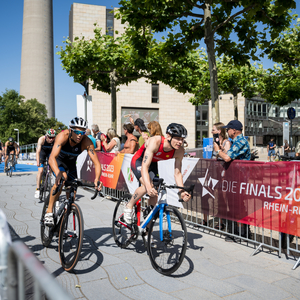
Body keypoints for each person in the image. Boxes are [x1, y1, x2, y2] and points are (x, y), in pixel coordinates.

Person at [123, 123, 192, 224]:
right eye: (177, 138)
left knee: (155, 191)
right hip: (139, 160)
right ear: (168, 136)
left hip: (153, 164)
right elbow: (144, 167)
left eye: (182, 139)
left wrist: (181, 191)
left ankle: (147, 227)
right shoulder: (156, 142)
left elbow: (177, 173)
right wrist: (148, 186)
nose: (180, 142)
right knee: (148, 186)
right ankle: (129, 206)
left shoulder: (179, 151)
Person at [44, 117, 102, 226]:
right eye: (76, 132)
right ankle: (49, 211)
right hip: (59, 161)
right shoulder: (62, 136)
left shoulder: (86, 141)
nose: (80, 135)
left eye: (82, 132)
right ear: (70, 130)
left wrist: (97, 179)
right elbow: (52, 158)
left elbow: (97, 163)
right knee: (62, 179)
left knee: (72, 193)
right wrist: (57, 173)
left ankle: (63, 221)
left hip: (71, 165)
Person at [35, 129, 57, 199]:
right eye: (49, 137)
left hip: (50, 153)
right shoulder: (41, 139)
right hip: (42, 153)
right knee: (40, 171)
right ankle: (38, 189)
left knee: (52, 169)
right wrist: (38, 161)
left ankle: (50, 181)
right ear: (46, 136)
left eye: (53, 138)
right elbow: (38, 151)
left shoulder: (56, 140)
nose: (51, 139)